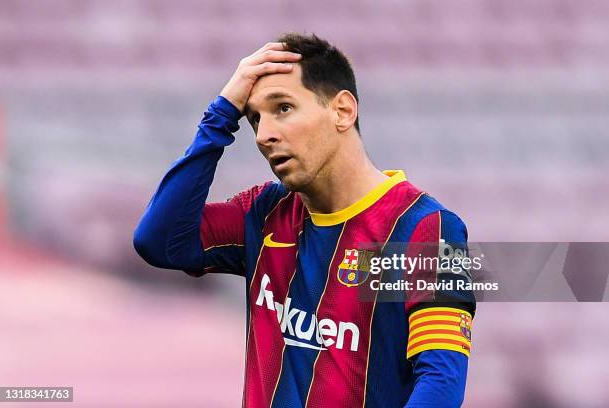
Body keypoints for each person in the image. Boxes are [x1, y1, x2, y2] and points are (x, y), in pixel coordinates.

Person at [134, 33, 476, 408]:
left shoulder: (426, 229)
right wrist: (221, 114)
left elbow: (441, 382)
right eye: (252, 119)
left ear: (343, 111)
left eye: (282, 108)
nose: (264, 135)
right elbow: (159, 242)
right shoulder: (264, 211)